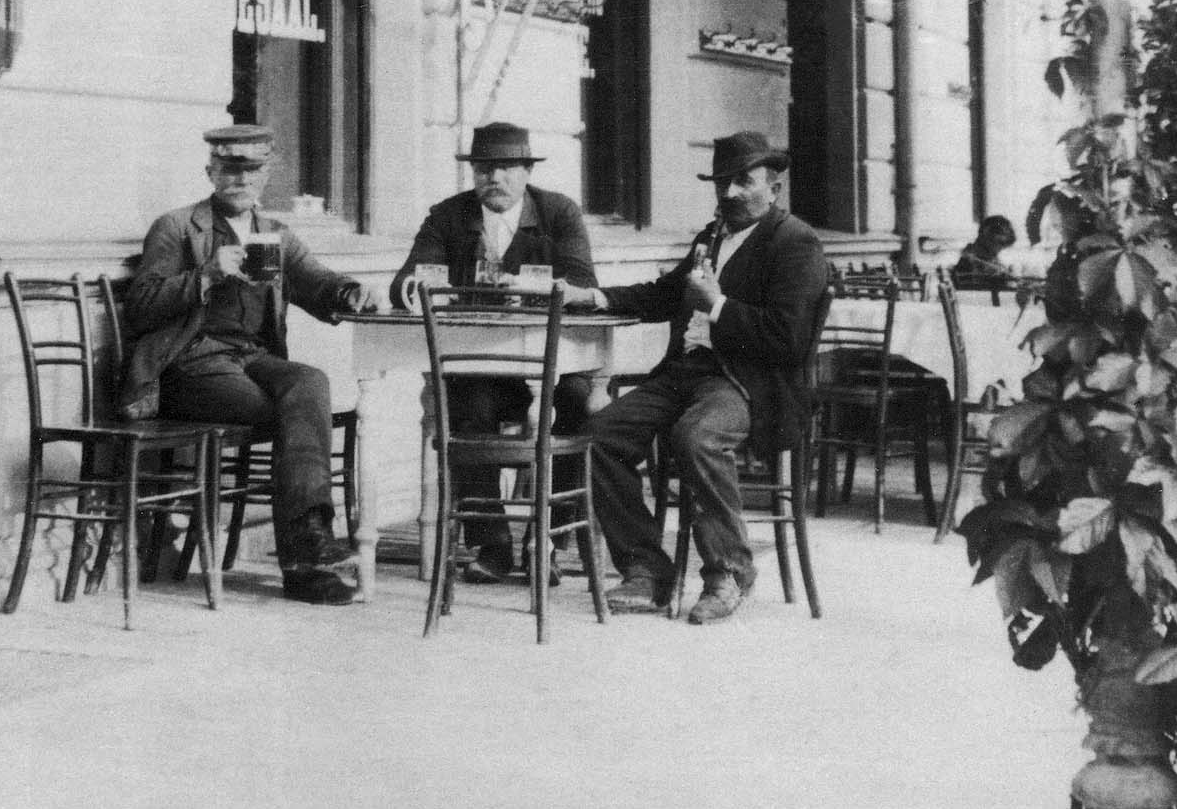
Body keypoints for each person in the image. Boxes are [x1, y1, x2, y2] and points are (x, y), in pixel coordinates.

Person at [570, 130, 827, 625]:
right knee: (598, 437)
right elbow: (665, 294)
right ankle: (647, 570)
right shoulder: (711, 237)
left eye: (743, 182)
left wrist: (718, 305)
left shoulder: (795, 242)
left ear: (774, 188)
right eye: (721, 183)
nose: (729, 193)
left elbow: (789, 339)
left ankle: (729, 572)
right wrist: (595, 297)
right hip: (683, 374)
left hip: (747, 383)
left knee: (697, 437)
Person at [124, 123, 385, 605]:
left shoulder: (274, 235)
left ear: (266, 175)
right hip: (189, 363)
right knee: (295, 413)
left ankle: (309, 547)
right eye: (229, 169)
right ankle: (306, 562)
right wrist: (206, 275)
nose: (240, 180)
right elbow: (141, 305)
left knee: (309, 381)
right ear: (211, 172)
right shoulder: (177, 227)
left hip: (251, 358)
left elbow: (317, 281)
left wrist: (351, 292)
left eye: (251, 170)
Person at [392, 121, 597, 584]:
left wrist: (526, 286)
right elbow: (404, 282)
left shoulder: (558, 213)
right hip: (483, 366)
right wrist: (421, 286)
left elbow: (584, 284)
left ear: (527, 172)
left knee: (576, 402)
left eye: (506, 168)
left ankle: (548, 539)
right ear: (474, 174)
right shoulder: (449, 216)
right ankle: (492, 543)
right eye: (484, 169)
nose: (494, 178)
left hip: (554, 364)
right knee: (466, 404)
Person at [955, 214, 1019, 280]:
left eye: (1003, 246)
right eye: (1000, 244)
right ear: (987, 238)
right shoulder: (970, 261)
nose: (999, 250)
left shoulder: (989, 258)